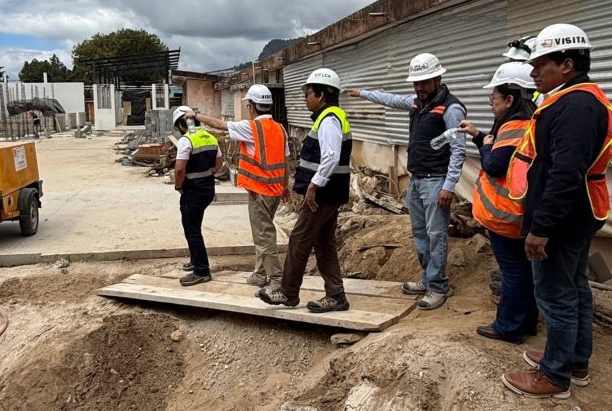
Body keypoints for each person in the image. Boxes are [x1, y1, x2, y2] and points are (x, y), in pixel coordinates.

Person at [502, 23, 612, 399]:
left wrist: (541, 227)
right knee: (575, 288)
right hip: (578, 214)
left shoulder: (576, 107)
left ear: (566, 65)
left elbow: (565, 174)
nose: (533, 73)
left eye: (540, 65)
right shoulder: (578, 100)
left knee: (556, 295)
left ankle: (555, 376)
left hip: (563, 219)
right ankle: (574, 361)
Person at [346, 53, 467, 310]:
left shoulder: (451, 108)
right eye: (416, 83)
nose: (419, 88)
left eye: (424, 82)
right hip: (417, 179)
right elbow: (391, 99)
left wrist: (449, 185)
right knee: (420, 233)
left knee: (436, 234)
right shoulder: (417, 103)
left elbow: (458, 150)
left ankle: (438, 286)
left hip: (436, 181)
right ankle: (428, 277)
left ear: (437, 78)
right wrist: (364, 93)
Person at [258, 68, 351, 313]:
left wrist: (313, 185)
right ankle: (336, 295)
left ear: (321, 95)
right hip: (330, 192)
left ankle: (288, 293)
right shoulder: (330, 117)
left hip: (323, 193)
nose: (305, 98)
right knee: (324, 243)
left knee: (299, 239)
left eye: (308, 93)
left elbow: (331, 157)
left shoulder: (329, 120)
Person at [458, 62, 538, 344]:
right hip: (518, 212)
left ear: (510, 99)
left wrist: (487, 144)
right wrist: (480, 136)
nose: (491, 104)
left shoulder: (514, 126)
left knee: (513, 271)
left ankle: (508, 327)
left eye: (493, 99)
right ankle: (527, 321)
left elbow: (494, 164)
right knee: (524, 269)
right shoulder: (528, 120)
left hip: (506, 214)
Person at [196, 84, 290, 289]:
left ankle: (275, 280)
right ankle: (260, 274)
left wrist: (197, 116)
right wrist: (285, 187)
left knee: (264, 236)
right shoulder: (280, 128)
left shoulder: (252, 127)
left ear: (253, 107)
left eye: (248, 105)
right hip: (275, 191)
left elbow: (220, 125)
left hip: (259, 191)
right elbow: (286, 160)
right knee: (262, 232)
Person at [173, 106, 223, 286]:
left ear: (181, 124)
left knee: (192, 229)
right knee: (195, 226)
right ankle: (195, 260)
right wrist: (209, 173)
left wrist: (179, 186)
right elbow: (219, 162)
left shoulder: (186, 141)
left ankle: (201, 270)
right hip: (208, 188)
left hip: (192, 190)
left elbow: (179, 169)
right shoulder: (210, 137)